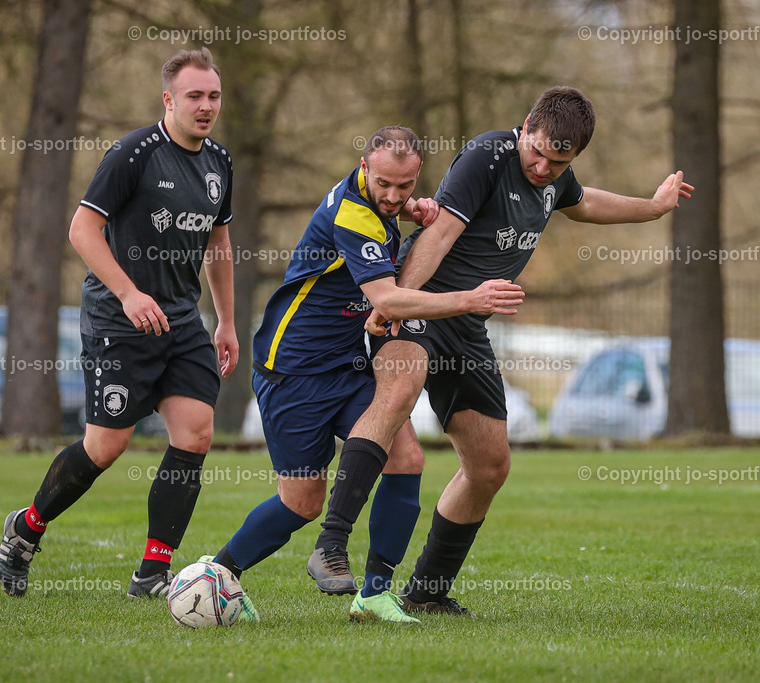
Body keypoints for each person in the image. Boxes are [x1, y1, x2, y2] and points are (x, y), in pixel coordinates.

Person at [313, 86, 694, 617]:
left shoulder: (555, 177)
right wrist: (395, 306)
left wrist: (652, 208)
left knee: (490, 466)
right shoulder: (487, 156)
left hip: (468, 328)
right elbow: (440, 234)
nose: (542, 167)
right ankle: (331, 544)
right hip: (425, 305)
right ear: (525, 125)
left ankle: (426, 590)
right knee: (399, 393)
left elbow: (583, 204)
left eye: (558, 160)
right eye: (536, 152)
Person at [198, 126, 524, 624]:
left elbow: (390, 242)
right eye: (386, 185)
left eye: (406, 186)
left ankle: (374, 594)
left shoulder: (379, 204)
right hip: (294, 370)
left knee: (407, 457)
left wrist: (412, 209)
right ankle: (218, 573)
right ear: (365, 169)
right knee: (301, 502)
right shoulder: (353, 214)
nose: (395, 196)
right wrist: (471, 299)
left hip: (347, 364)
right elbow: (388, 300)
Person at [0, 48, 243, 607]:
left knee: (196, 433)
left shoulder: (219, 162)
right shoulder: (134, 153)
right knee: (106, 447)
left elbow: (219, 244)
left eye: (214, 96)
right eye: (194, 97)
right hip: (119, 319)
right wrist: (129, 294)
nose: (206, 107)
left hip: (181, 320)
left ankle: (153, 572)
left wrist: (225, 320)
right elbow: (82, 230)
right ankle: (26, 528)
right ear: (168, 100)